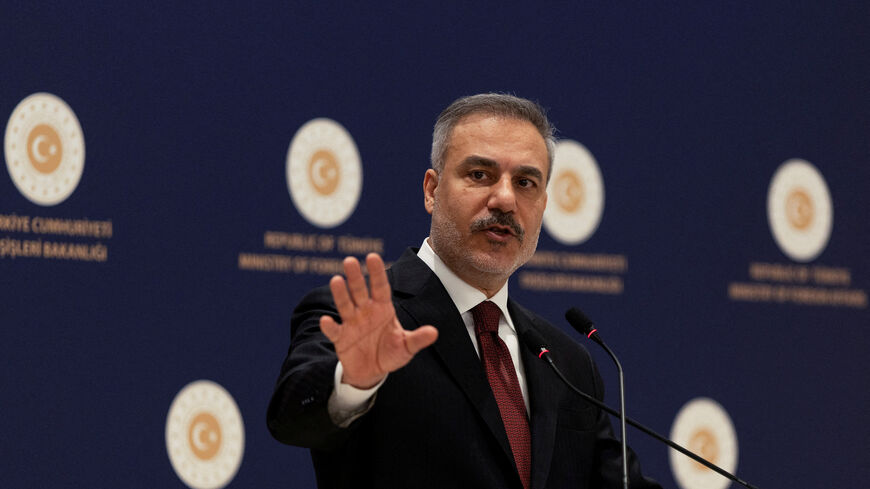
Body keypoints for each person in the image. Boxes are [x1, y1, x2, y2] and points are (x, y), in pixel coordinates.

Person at [267, 93, 661, 489]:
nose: (505, 198)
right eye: (480, 175)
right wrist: (352, 383)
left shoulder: (568, 363)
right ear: (431, 190)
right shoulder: (363, 316)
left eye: (525, 182)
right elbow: (293, 420)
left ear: (542, 206)